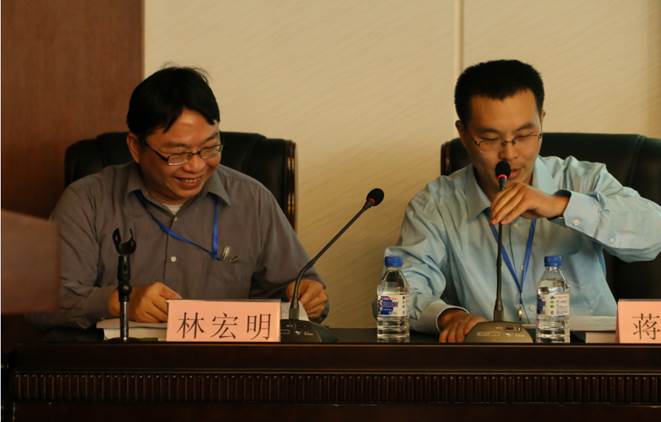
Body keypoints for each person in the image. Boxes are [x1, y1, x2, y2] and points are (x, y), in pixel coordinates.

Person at [386, 59, 661, 343]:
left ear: (542, 120)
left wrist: (561, 206)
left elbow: (654, 233)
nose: (510, 154)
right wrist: (448, 317)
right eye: (490, 139)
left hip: (592, 357)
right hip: (494, 359)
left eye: (524, 135)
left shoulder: (583, 180)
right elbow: (399, 292)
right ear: (464, 135)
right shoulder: (436, 205)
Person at [37, 66, 327, 329]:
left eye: (209, 148)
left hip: (227, 365)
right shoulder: (87, 201)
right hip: (121, 366)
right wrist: (118, 301)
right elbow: (41, 304)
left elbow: (305, 295)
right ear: (135, 147)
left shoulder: (252, 200)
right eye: (177, 154)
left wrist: (307, 296)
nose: (196, 166)